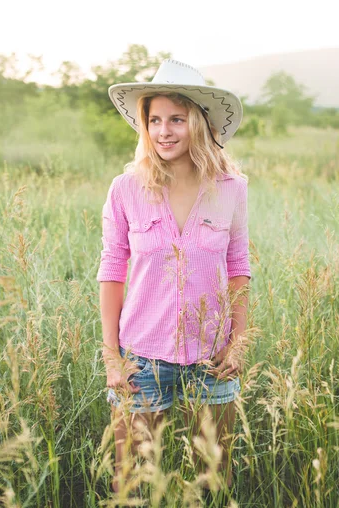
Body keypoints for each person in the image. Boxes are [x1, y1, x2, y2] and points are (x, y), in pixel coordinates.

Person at [96, 59, 251, 501]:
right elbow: (112, 270)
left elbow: (239, 267)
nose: (164, 130)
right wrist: (112, 356)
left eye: (176, 119)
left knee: (215, 481)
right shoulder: (125, 188)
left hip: (213, 356)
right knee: (132, 484)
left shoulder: (231, 188)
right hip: (141, 359)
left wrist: (237, 343)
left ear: (198, 123)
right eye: (155, 119)